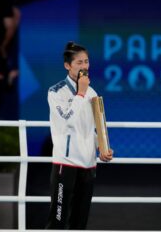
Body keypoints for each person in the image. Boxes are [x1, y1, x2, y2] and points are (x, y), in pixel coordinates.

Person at [46, 41, 113, 230]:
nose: (84, 67)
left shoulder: (93, 92)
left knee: (79, 222)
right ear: (67, 66)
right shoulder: (55, 91)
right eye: (79, 63)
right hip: (65, 163)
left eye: (87, 62)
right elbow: (67, 120)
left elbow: (96, 126)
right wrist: (80, 94)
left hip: (88, 164)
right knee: (57, 220)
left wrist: (102, 147)